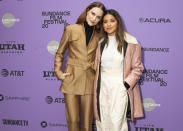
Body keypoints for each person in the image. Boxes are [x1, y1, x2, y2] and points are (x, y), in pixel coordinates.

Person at [54, 2, 106, 131]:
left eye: (98, 17)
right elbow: (60, 53)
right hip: (71, 78)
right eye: (93, 14)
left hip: (89, 79)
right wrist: (58, 72)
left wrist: (95, 67)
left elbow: (101, 58)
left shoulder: (100, 35)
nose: (94, 19)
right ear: (87, 11)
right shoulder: (71, 29)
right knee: (73, 120)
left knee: (87, 124)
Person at [93, 9, 144, 131]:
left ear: (118, 22)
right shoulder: (100, 43)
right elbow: (96, 66)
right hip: (102, 86)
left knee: (117, 122)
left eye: (112, 21)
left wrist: (126, 84)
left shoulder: (131, 42)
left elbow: (138, 68)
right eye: (105, 22)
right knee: (102, 121)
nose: (108, 24)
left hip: (120, 86)